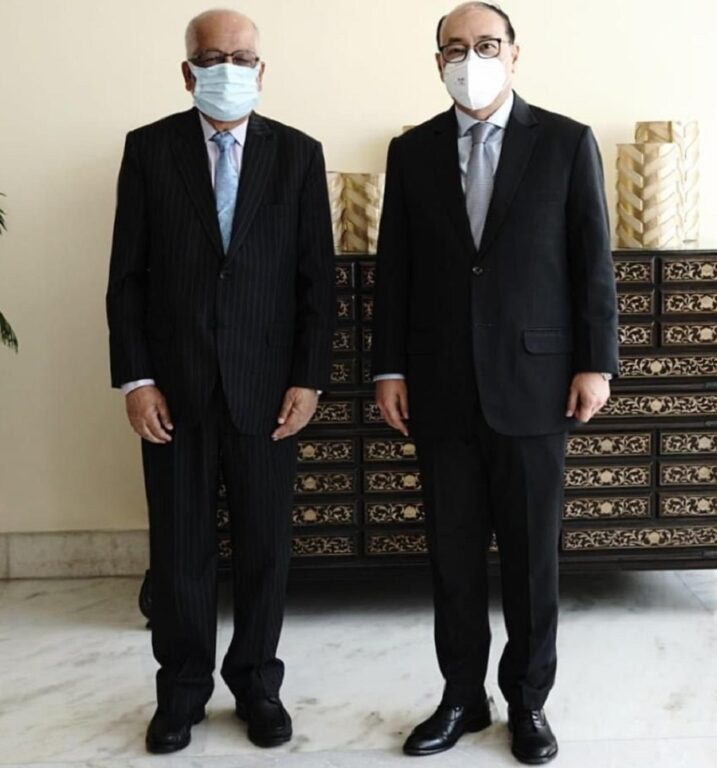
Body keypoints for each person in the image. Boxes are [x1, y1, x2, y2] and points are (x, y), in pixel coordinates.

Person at [372, 2, 618, 764]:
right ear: (437, 63)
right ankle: (460, 697)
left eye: (485, 45)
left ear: (514, 54)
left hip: (536, 384)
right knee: (451, 560)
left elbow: (591, 262)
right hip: (439, 387)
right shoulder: (410, 152)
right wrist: (388, 367)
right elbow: (394, 271)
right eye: (454, 48)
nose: (469, 59)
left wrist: (596, 362)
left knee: (530, 560)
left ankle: (528, 701)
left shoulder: (565, 141)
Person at [106, 9, 335, 754]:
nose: (227, 70)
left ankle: (257, 684)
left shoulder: (298, 155)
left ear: (261, 70)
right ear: (187, 72)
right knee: (180, 551)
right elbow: (127, 278)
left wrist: (309, 378)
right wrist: (136, 379)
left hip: (268, 393)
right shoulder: (148, 150)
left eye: (241, 58)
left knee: (266, 548)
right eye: (211, 58)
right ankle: (181, 692)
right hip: (173, 391)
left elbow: (317, 282)